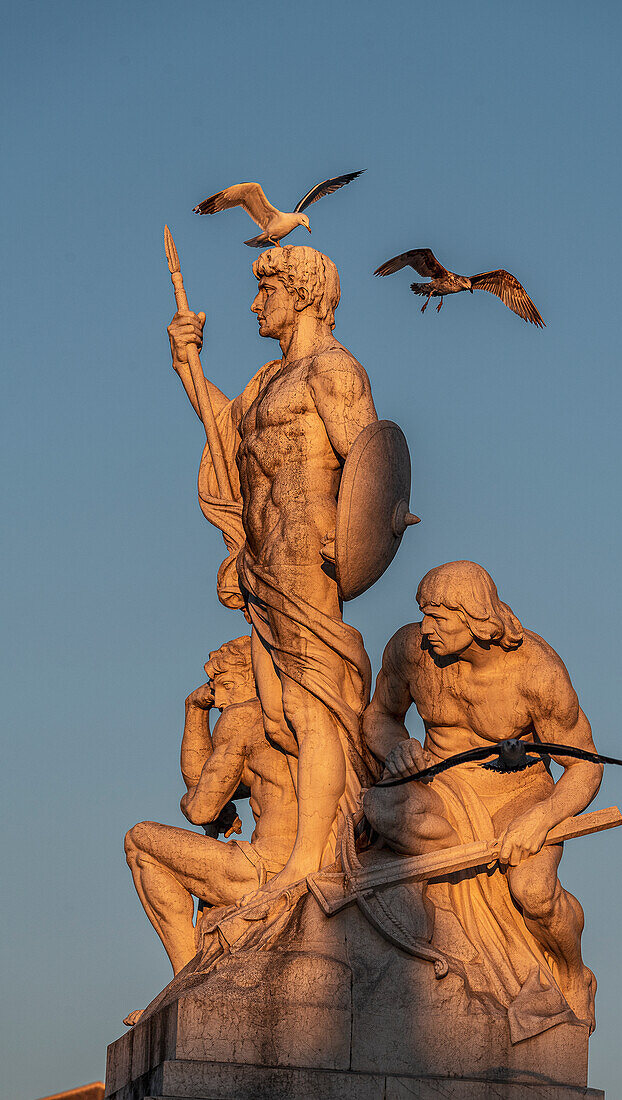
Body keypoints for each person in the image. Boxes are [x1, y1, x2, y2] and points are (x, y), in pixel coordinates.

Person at [166, 246, 378, 900]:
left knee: (313, 710)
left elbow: (370, 462)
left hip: (307, 552)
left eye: (267, 292)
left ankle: (311, 857)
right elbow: (224, 431)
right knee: (281, 717)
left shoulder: (335, 371)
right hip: (263, 563)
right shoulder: (265, 381)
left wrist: (356, 537)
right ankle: (330, 828)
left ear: (302, 292)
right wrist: (186, 364)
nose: (257, 304)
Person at [362, 561, 601, 1032]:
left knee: (533, 892)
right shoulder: (412, 652)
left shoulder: (536, 673)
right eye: (424, 615)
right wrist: (400, 749)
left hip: (519, 794)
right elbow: (378, 718)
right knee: (380, 807)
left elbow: (585, 765)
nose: (426, 629)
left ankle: (573, 973)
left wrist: (542, 819)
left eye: (439, 619)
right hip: (444, 788)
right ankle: (463, 920)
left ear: (475, 619)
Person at [124, 636, 297, 974]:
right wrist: (195, 708)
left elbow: (200, 807)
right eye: (215, 690)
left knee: (139, 840)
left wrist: (192, 712)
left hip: (263, 870)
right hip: (294, 860)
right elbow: (207, 785)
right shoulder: (295, 718)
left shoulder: (245, 717)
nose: (219, 701)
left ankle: (184, 976)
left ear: (256, 676)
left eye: (227, 685)